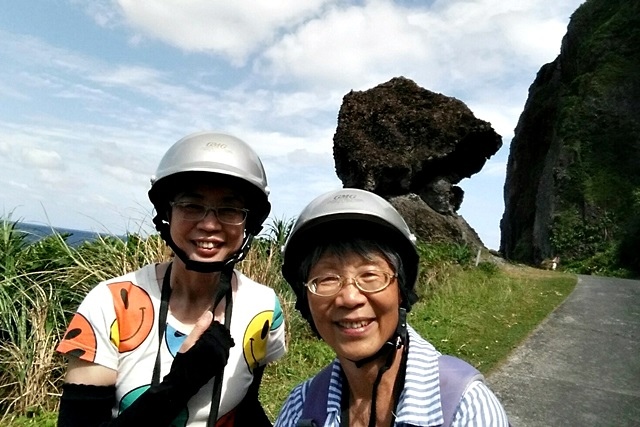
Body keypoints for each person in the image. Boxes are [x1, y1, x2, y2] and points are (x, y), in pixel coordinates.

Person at [56, 132, 286, 427]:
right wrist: (182, 382)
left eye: (229, 209)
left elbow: (245, 405)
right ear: (167, 214)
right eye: (191, 205)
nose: (209, 224)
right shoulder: (111, 305)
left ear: (248, 223)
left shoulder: (263, 307)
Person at [275, 188, 509, 427]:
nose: (349, 298)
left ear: (401, 290)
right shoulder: (301, 408)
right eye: (326, 279)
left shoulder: (464, 409)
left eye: (370, 274)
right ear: (306, 301)